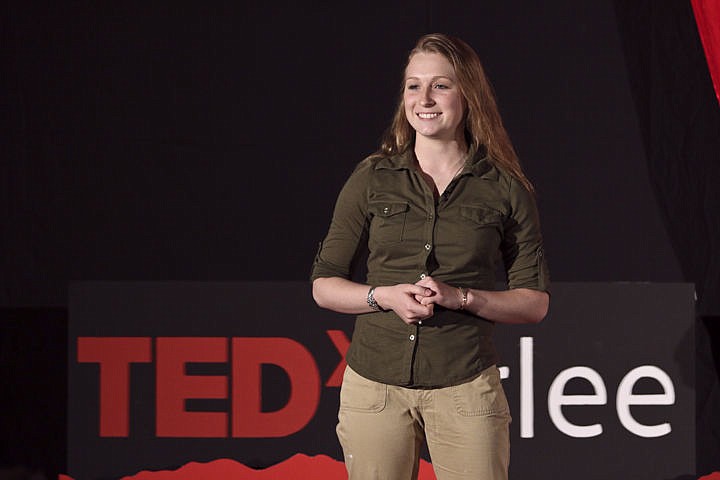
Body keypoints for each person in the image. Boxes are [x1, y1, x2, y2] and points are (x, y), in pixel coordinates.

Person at [310, 33, 550, 480]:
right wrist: (384, 296)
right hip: (375, 386)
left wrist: (460, 297)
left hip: (465, 385)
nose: (424, 98)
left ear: (468, 94)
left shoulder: (504, 188)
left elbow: (534, 302)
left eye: (440, 85)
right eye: (412, 85)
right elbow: (324, 285)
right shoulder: (372, 177)